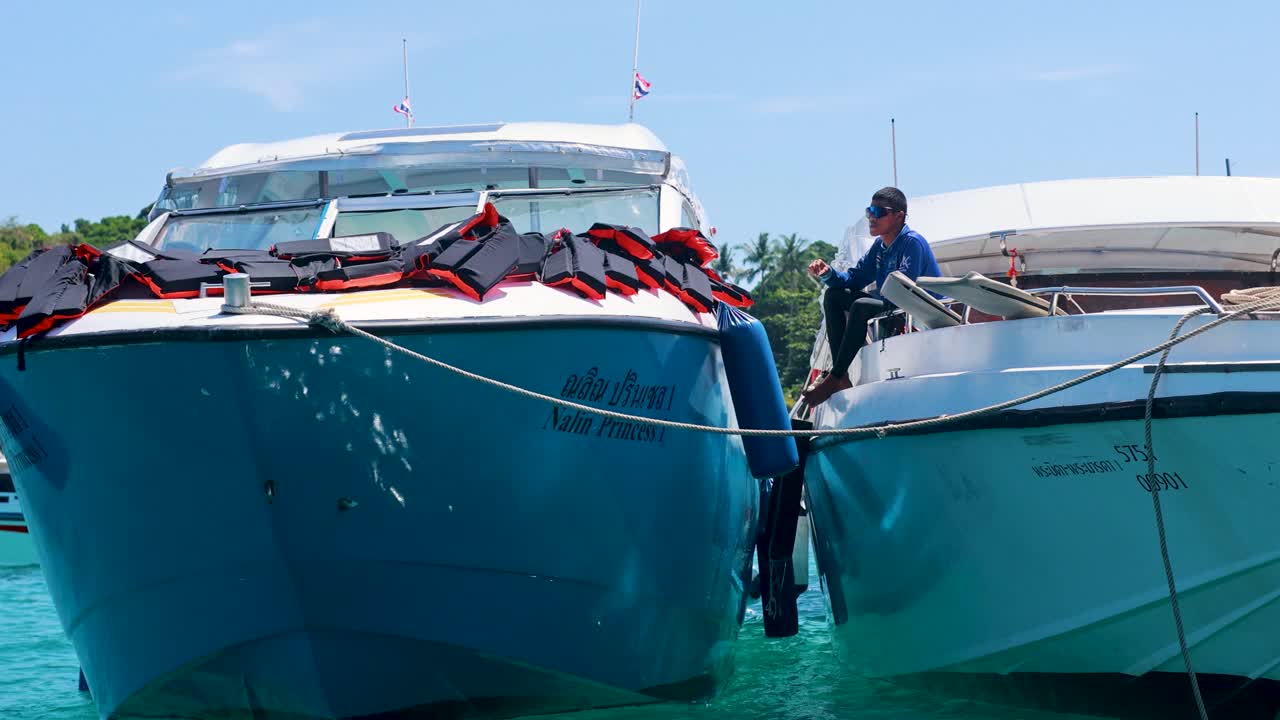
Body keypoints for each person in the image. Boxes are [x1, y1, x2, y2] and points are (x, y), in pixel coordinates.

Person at [801, 187, 940, 406]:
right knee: (833, 295)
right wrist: (828, 274)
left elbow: (903, 291)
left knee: (861, 305)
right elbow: (853, 279)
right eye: (869, 211)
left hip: (915, 309)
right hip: (891, 305)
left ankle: (834, 377)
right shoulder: (880, 247)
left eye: (879, 211)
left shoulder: (912, 242)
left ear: (899, 216)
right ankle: (841, 376)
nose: (872, 217)